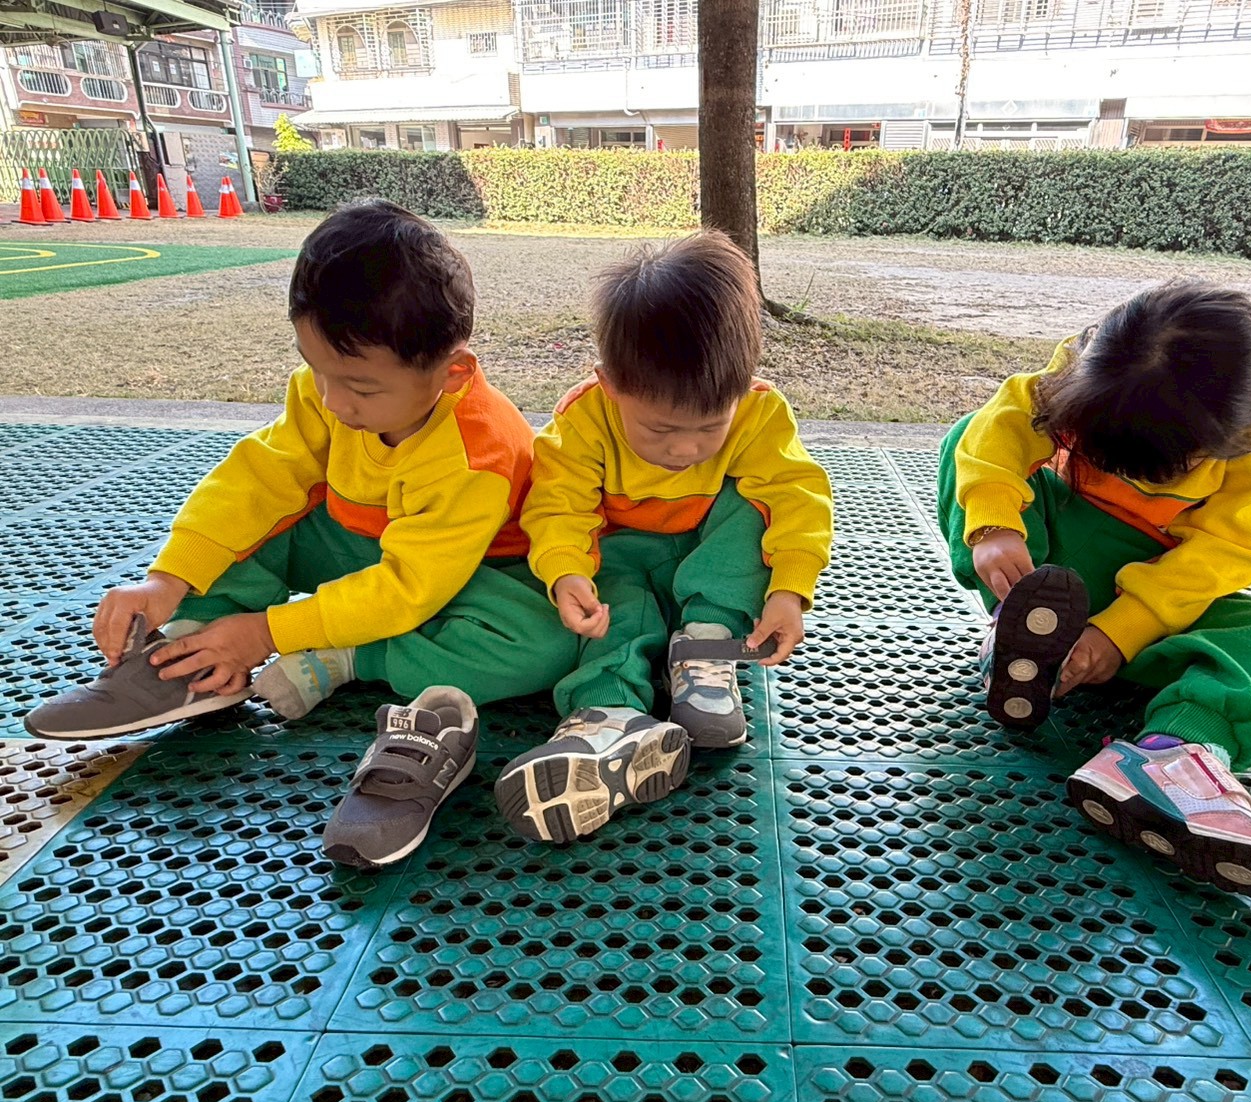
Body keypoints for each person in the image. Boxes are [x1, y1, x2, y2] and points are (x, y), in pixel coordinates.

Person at [24, 199, 577, 867]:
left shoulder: (476, 452)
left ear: (452, 372)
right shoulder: (326, 392)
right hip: (358, 548)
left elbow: (411, 587)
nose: (334, 402)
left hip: (469, 580)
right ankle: (190, 658)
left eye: (361, 388)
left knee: (542, 647)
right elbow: (260, 478)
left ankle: (346, 658)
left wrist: (269, 633)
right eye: (316, 368)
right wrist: (168, 579)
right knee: (252, 523)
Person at [938, 282, 1251, 900]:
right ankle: (1016, 626)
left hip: (1164, 596)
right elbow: (1000, 431)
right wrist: (993, 526)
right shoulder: (1086, 364)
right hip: (1055, 567)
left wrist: (1121, 631)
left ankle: (1170, 759)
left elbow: (1223, 555)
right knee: (969, 439)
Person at [496, 230, 833, 843]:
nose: (684, 449)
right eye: (660, 429)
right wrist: (566, 571)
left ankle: (705, 649)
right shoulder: (584, 419)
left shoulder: (759, 412)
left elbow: (798, 499)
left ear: (744, 385)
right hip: (622, 553)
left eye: (710, 427)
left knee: (754, 511)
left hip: (709, 561)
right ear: (610, 384)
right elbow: (558, 505)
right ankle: (606, 717)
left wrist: (790, 591)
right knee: (613, 612)